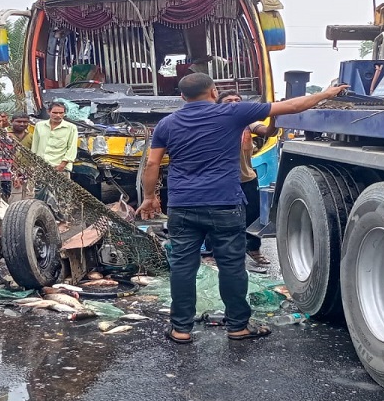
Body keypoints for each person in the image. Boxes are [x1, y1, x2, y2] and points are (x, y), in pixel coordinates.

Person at [137, 74, 347, 344]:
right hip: (225, 203)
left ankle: (181, 329)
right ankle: (237, 326)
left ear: (182, 97)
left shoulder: (167, 123)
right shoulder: (233, 112)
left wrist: (149, 197)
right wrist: (327, 93)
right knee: (232, 267)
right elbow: (294, 106)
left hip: (183, 205)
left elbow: (153, 164)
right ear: (214, 92)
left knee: (182, 268)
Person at [219, 90, 272, 274]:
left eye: (237, 100)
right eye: (228, 100)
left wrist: (275, 119)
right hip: (222, 181)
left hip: (246, 178)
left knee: (253, 217)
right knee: (221, 218)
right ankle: (217, 254)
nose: (233, 103)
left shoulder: (248, 123)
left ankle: (253, 248)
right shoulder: (214, 122)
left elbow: (266, 130)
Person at [31, 101, 78, 173]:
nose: (58, 115)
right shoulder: (39, 125)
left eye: (61, 113)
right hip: (41, 167)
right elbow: (35, 146)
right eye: (55, 113)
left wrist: (61, 166)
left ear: (64, 113)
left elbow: (72, 149)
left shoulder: (71, 128)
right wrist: (34, 164)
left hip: (60, 168)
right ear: (48, 112)